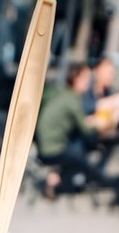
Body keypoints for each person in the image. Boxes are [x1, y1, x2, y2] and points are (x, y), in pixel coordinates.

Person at [35, 63, 100, 198]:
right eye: (86, 78)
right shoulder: (72, 100)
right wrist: (100, 122)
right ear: (76, 80)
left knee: (77, 151)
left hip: (43, 143)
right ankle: (56, 181)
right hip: (51, 149)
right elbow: (86, 130)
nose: (89, 82)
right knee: (81, 158)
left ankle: (56, 177)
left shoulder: (63, 93)